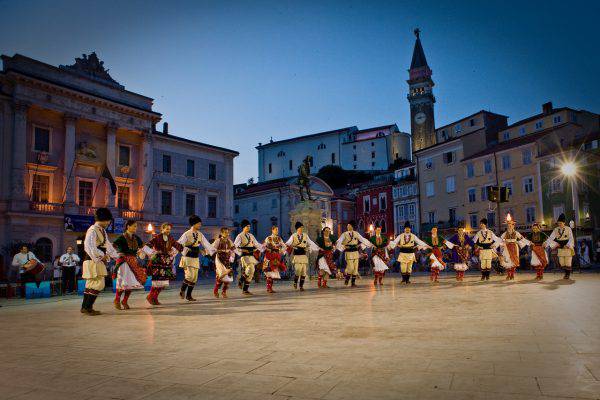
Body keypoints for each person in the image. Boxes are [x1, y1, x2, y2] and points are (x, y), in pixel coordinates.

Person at [81, 208, 119, 315]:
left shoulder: (102, 230)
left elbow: (108, 246)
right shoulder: (93, 230)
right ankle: (87, 307)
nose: (109, 223)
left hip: (96, 260)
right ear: (104, 219)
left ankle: (86, 307)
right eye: (108, 221)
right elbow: (88, 247)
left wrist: (116, 256)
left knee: (91, 283)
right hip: (93, 260)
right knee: (98, 283)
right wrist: (102, 255)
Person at [177, 215, 216, 301]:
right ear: (193, 224)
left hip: (195, 258)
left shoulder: (200, 234)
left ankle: (189, 295)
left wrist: (212, 251)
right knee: (189, 276)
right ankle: (182, 290)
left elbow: (206, 244)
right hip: (187, 257)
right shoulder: (186, 234)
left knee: (194, 277)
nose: (200, 225)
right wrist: (172, 253)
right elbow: (179, 244)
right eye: (198, 224)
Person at [144, 222, 184, 305]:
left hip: (166, 262)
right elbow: (148, 245)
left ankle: (155, 298)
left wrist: (187, 249)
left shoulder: (170, 238)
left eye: (169, 229)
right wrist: (152, 252)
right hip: (157, 261)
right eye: (167, 229)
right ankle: (151, 296)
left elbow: (177, 245)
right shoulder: (157, 237)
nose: (168, 230)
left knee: (163, 282)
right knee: (157, 281)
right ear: (162, 229)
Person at [112, 220, 146, 310]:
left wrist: (142, 252)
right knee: (123, 282)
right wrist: (117, 253)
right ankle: (117, 299)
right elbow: (112, 247)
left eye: (136, 226)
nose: (136, 228)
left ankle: (125, 301)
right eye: (134, 226)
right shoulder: (121, 238)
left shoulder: (136, 238)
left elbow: (143, 247)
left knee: (131, 282)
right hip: (123, 262)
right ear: (128, 226)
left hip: (133, 262)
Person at [336, 221, 373, 287]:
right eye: (347, 226)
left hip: (355, 252)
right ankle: (347, 279)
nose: (348, 227)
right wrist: (343, 247)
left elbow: (362, 239)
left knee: (355, 268)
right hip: (348, 252)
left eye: (349, 225)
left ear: (352, 226)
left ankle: (353, 283)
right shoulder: (344, 234)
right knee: (351, 268)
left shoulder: (356, 233)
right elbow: (339, 241)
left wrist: (368, 244)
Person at [286, 222, 319, 291]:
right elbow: (288, 243)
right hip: (297, 256)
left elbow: (310, 242)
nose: (301, 229)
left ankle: (301, 286)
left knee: (304, 272)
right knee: (298, 270)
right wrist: (293, 246)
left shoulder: (305, 235)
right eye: (300, 227)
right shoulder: (293, 235)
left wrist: (315, 248)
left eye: (302, 228)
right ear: (297, 228)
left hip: (303, 255)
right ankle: (295, 282)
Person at [234, 219, 264, 295]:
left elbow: (256, 244)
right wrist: (243, 250)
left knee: (252, 271)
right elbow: (235, 246)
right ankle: (241, 279)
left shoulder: (251, 235)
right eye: (247, 226)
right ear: (243, 227)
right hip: (244, 256)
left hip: (251, 255)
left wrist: (263, 247)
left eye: (249, 226)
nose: (248, 228)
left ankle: (245, 289)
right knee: (250, 268)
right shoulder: (239, 236)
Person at [544, 213, 575, 279]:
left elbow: (571, 238)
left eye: (561, 223)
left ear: (564, 223)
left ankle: (567, 274)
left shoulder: (568, 229)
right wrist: (546, 243)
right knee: (561, 262)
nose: (559, 224)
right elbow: (551, 237)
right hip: (560, 247)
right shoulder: (556, 229)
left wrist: (568, 245)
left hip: (567, 247)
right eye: (558, 223)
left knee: (568, 261)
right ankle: (566, 272)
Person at [212, 227, 236, 298]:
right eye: (225, 232)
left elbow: (234, 250)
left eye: (227, 232)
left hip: (227, 260)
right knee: (220, 275)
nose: (227, 233)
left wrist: (233, 256)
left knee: (228, 276)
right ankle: (216, 290)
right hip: (220, 259)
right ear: (221, 233)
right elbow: (212, 249)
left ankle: (224, 291)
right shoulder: (218, 241)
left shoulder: (229, 241)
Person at [262, 226, 287, 293]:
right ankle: (269, 288)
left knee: (273, 273)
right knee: (269, 273)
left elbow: (284, 246)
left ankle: (270, 288)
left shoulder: (279, 239)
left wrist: (282, 251)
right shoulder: (268, 238)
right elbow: (264, 246)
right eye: (276, 230)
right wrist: (268, 249)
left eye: (277, 230)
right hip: (269, 257)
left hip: (276, 257)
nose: (277, 231)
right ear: (272, 230)